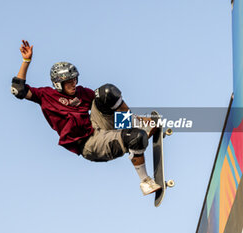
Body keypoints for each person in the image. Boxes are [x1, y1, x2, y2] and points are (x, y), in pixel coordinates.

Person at [11, 40, 161, 196]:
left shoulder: (82, 92)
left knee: (107, 92)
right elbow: (18, 90)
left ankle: (135, 122)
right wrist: (26, 61)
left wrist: (139, 119)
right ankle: (145, 181)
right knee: (136, 138)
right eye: (69, 82)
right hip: (89, 144)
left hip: (96, 125)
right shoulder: (46, 96)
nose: (73, 84)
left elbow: (107, 105)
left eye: (75, 79)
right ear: (58, 83)